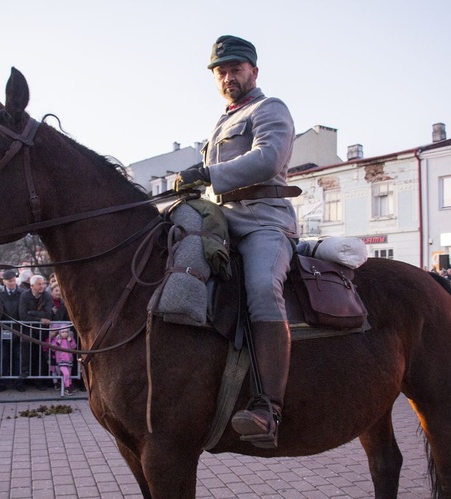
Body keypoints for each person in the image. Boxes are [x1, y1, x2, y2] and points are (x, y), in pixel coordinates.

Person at [173, 35, 298, 448]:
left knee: (262, 286)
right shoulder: (220, 124)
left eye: (235, 69)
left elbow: (268, 159)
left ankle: (268, 408)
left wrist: (208, 175)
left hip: (264, 222)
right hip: (221, 222)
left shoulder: (270, 108)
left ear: (253, 72)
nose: (228, 77)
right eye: (221, 72)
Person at [18, 274, 53, 389]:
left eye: (43, 284)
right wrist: (39, 319)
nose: (42, 286)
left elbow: (48, 314)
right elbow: (23, 315)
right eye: (39, 284)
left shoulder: (47, 296)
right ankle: (22, 381)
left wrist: (31, 313)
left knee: (39, 357)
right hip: (27, 331)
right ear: (32, 285)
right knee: (25, 356)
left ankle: (39, 382)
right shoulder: (25, 296)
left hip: (41, 332)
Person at [0, 269, 24, 391]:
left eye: (13, 280)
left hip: (18, 329)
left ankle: (19, 383)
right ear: (3, 281)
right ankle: (3, 382)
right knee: (4, 356)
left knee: (18, 356)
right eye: (9, 281)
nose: (11, 283)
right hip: (4, 328)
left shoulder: (22, 293)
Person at [48, 322, 77, 394]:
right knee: (66, 374)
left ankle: (68, 386)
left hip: (69, 360)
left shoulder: (70, 339)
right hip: (61, 360)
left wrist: (71, 341)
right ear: (60, 332)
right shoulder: (56, 339)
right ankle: (67, 387)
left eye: (66, 332)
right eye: (63, 332)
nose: (65, 333)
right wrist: (58, 343)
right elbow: (53, 348)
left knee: (68, 375)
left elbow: (74, 347)